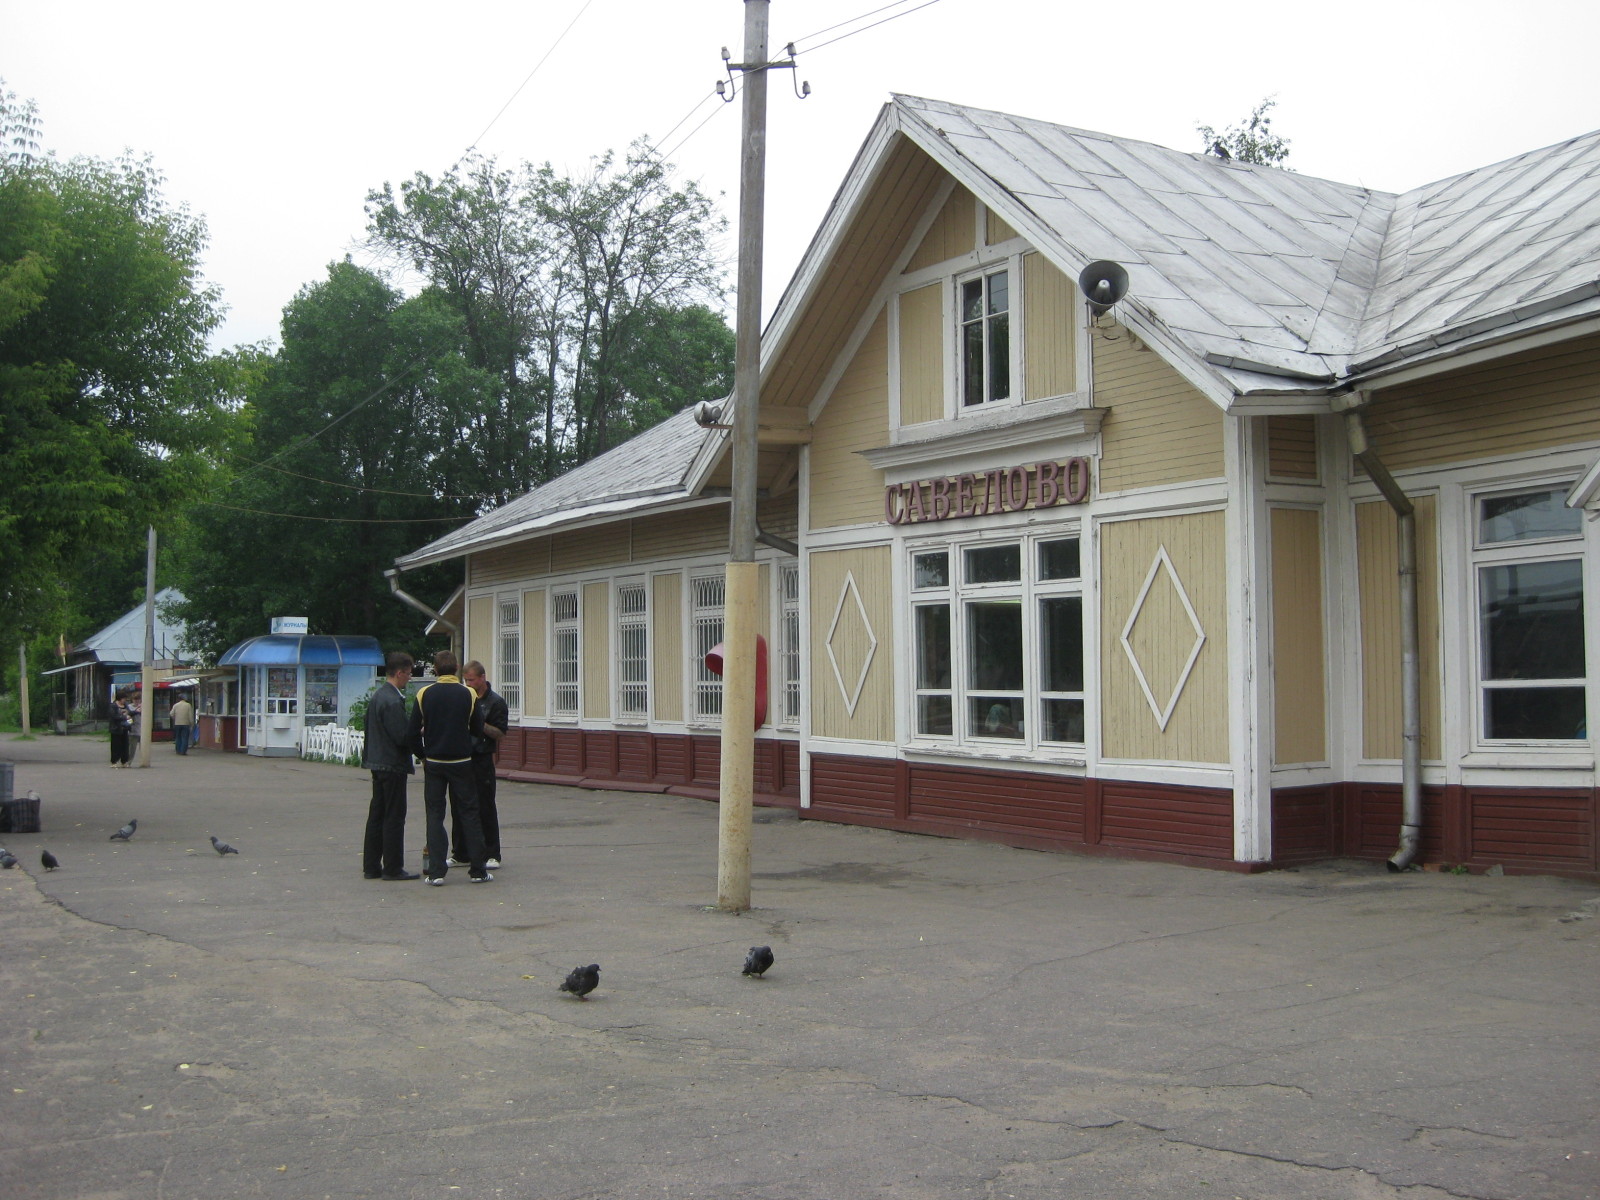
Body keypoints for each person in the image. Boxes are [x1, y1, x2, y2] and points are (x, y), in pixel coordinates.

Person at [408, 650, 492, 885]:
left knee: (435, 815)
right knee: (469, 813)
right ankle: (478, 870)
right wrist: (467, 746)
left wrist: (422, 755)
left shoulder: (424, 693)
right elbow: (478, 729)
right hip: (461, 761)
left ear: (435, 670)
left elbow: (412, 732)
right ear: (456, 669)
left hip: (435, 761)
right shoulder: (468, 694)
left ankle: (436, 872)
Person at [361, 651, 420, 881]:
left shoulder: (378, 696)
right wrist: (417, 732)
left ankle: (371, 865)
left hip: (377, 761)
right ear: (399, 673)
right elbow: (401, 736)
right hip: (392, 764)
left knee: (377, 814)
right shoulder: (393, 700)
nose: (409, 678)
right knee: (394, 816)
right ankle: (393, 867)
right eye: (409, 674)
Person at [454, 660, 507, 870]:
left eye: (471, 680)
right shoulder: (464, 698)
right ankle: (461, 853)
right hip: (463, 757)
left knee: (485, 806)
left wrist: (479, 723)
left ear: (482, 678)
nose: (468, 684)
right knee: (460, 805)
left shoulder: (495, 702)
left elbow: (500, 733)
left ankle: (492, 853)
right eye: (466, 680)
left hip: (482, 759)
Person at [109, 689, 133, 768]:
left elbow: (129, 712)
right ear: (120, 698)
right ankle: (114, 761)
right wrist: (124, 717)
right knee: (116, 746)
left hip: (125, 728)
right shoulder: (113, 706)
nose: (125, 700)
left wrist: (134, 713)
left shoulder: (126, 705)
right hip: (116, 729)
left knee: (125, 745)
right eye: (124, 698)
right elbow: (114, 716)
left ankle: (124, 761)